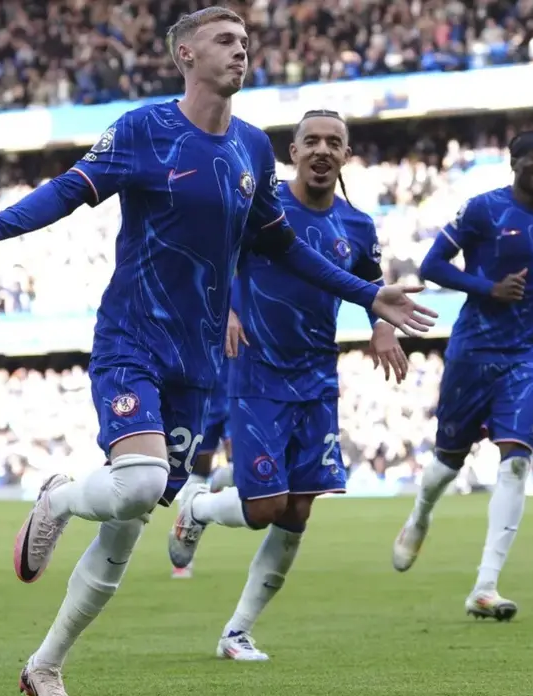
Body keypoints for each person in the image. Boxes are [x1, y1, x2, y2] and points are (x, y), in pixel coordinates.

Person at [0, 7, 436, 696]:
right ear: (185, 53)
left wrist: (367, 294)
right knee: (138, 485)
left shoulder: (254, 149)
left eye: (245, 42)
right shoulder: (146, 130)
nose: (242, 52)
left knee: (127, 529)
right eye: (227, 41)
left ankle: (45, 665)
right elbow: (72, 189)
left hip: (198, 365)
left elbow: (282, 244)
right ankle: (57, 496)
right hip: (132, 340)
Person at [165, 109, 410, 660]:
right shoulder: (264, 209)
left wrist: (380, 326)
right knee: (265, 510)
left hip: (318, 378)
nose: (322, 151)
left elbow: (370, 285)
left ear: (346, 156)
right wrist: (227, 308)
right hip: (256, 372)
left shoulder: (358, 226)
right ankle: (199, 507)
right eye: (312, 141)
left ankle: (237, 631)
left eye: (334, 143)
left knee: (299, 512)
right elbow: (218, 257)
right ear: (293, 152)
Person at [390, 129, 533, 622]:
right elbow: (433, 265)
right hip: (473, 351)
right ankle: (420, 513)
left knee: (517, 461)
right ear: (514, 162)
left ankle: (485, 585)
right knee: (448, 462)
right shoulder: (482, 209)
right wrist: (487, 288)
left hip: (525, 355)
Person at [170, 361, 234, 580]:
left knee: (238, 469)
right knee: (197, 470)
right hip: (205, 393)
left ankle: (203, 505)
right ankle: (184, 540)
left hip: (241, 392)